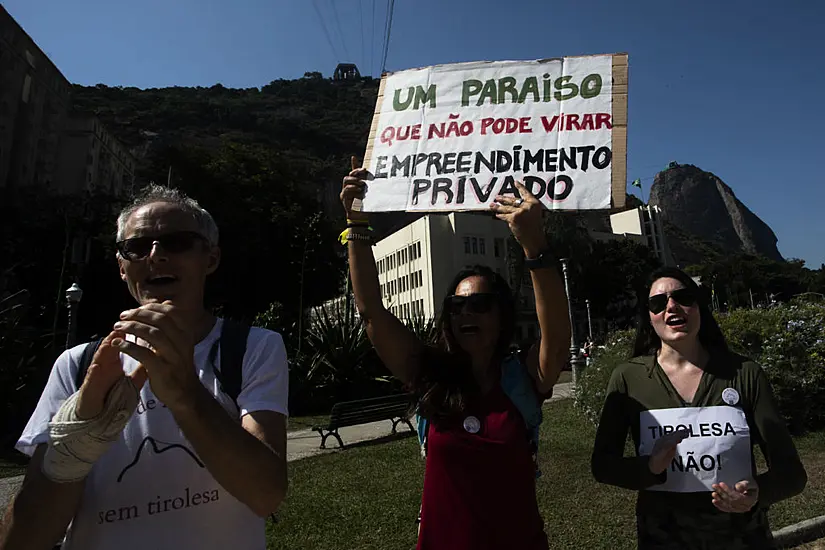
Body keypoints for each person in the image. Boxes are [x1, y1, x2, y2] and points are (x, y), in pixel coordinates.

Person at [1, 185, 289, 550]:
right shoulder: (78, 367)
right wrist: (78, 440)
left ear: (211, 259)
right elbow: (22, 542)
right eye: (137, 247)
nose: (155, 256)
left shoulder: (251, 347)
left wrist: (186, 394)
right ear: (122, 267)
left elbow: (266, 494)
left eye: (178, 242)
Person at [341, 158, 571, 550]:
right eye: (457, 305)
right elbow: (371, 314)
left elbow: (558, 335)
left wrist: (535, 245)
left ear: (501, 316)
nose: (467, 312)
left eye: (480, 304)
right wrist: (356, 224)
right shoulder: (430, 375)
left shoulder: (524, 378)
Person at [591, 266, 807, 549]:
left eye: (683, 297)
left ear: (699, 307)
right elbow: (602, 466)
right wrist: (650, 467)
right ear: (649, 317)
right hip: (662, 541)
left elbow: (792, 474)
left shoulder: (745, 374)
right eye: (658, 302)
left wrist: (757, 494)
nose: (671, 306)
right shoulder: (627, 378)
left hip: (744, 540)